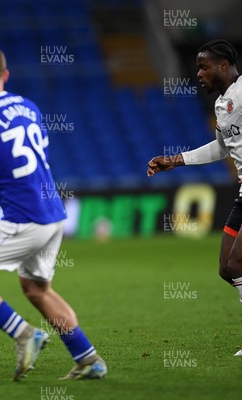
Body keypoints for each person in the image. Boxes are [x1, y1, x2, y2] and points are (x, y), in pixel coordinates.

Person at [0, 44, 107, 381]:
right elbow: (26, 158)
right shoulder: (28, 107)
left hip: (23, 219)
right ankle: (88, 359)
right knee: (36, 289)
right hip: (53, 214)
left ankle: (23, 334)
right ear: (5, 74)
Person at [147, 38, 242, 356]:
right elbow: (221, 148)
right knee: (227, 269)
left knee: (239, 263)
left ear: (224, 66)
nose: (198, 73)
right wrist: (174, 160)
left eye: (204, 67)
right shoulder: (221, 104)